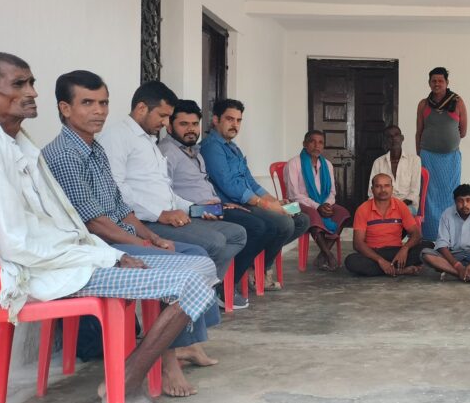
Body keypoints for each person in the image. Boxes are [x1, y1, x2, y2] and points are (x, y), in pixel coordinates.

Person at [0, 53, 214, 403]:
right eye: (19, 84)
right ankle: (129, 379)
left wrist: (126, 246)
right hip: (39, 271)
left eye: (32, 83)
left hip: (71, 258)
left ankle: (130, 371)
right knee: (188, 281)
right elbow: (17, 244)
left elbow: (74, 222)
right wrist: (107, 256)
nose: (32, 92)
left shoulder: (19, 147)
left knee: (200, 265)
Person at [42, 70, 222, 397]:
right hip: (101, 247)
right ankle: (167, 363)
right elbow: (95, 223)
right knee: (190, 266)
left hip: (121, 235)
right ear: (65, 108)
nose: (99, 111)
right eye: (88, 103)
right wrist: (141, 242)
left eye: (103, 103)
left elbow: (120, 207)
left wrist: (152, 238)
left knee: (197, 256)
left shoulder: (94, 148)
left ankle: (178, 345)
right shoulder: (65, 154)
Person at [97, 81, 247, 308]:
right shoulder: (117, 137)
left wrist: (194, 209)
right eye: (163, 116)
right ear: (141, 108)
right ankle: (188, 301)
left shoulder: (148, 140)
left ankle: (201, 293)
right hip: (143, 223)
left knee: (237, 234)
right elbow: (115, 190)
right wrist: (160, 214)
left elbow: (165, 191)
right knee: (214, 242)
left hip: (166, 217)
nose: (166, 123)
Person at [159, 99, 309, 295]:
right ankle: (231, 282)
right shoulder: (201, 148)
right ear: (216, 120)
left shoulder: (202, 151)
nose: (235, 125)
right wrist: (263, 204)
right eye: (230, 119)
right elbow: (226, 185)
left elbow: (250, 181)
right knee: (273, 225)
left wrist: (274, 201)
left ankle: (253, 266)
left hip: (219, 206)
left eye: (194, 124)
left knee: (300, 218)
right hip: (210, 208)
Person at [283, 130, 351, 271]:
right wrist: (317, 206)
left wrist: (326, 204)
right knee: (312, 214)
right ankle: (329, 255)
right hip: (292, 206)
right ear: (304, 144)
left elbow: (332, 192)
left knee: (343, 213)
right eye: (312, 141)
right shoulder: (294, 163)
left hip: (321, 203)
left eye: (320, 142)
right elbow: (293, 195)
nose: (317, 145)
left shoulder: (327, 165)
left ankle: (322, 256)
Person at [416, 67, 468, 240]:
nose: (437, 84)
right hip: (428, 158)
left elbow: (463, 131)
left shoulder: (458, 102)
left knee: (451, 195)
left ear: (447, 83)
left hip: (450, 159)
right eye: (434, 81)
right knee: (428, 195)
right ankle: (429, 235)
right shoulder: (423, 104)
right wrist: (419, 156)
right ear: (429, 83)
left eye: (440, 81)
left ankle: (449, 235)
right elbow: (419, 132)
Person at [344, 174, 425, 277]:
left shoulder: (401, 206)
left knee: (427, 248)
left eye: (386, 186)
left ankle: (388, 268)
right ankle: (399, 270)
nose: (383, 190)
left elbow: (416, 234)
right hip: (374, 253)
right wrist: (380, 260)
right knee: (351, 261)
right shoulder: (363, 209)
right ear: (372, 189)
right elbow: (358, 244)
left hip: (396, 252)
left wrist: (404, 249)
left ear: (392, 188)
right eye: (378, 186)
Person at [368, 125, 422, 214]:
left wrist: (395, 207)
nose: (393, 139)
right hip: (383, 205)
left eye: (396, 135)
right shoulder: (378, 162)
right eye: (389, 137)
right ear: (385, 141)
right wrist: (384, 206)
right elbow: (371, 192)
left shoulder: (414, 160)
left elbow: (414, 192)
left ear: (402, 138)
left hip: (407, 206)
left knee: (396, 215)